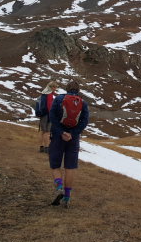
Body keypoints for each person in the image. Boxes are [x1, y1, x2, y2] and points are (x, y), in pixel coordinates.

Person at [48, 80, 89, 208]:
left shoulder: (59, 99)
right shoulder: (83, 103)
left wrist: (61, 132)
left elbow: (52, 116)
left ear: (67, 88)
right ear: (78, 90)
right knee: (70, 168)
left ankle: (59, 187)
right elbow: (84, 121)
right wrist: (73, 134)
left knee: (55, 166)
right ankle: (67, 198)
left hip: (58, 136)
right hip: (73, 139)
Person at [37, 81, 59, 153]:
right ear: (51, 87)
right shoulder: (49, 95)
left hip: (42, 114)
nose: (55, 89)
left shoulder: (43, 93)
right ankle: (47, 148)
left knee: (42, 131)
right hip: (47, 115)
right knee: (47, 132)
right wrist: (52, 115)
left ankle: (41, 147)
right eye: (55, 87)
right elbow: (49, 107)